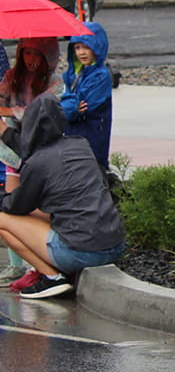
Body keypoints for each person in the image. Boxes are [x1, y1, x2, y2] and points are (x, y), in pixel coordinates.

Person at [0, 94, 125, 299]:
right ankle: (62, 269)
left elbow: (16, 206)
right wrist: (5, 133)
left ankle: (51, 278)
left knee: (3, 220)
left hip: (81, 252)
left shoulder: (37, 163)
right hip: (114, 245)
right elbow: (32, 149)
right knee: (44, 213)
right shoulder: (80, 145)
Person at [0, 37, 60, 288]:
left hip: (39, 153)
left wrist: (18, 112)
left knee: (38, 207)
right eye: (27, 53)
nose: (31, 60)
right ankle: (18, 265)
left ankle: (41, 265)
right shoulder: (12, 77)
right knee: (10, 207)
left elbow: (47, 112)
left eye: (37, 54)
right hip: (13, 153)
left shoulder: (54, 81)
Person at [59, 21, 113, 170]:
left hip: (92, 138)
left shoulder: (100, 76)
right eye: (77, 48)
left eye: (86, 47)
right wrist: (70, 105)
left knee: (91, 173)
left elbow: (83, 105)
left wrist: (65, 105)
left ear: (97, 47)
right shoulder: (74, 74)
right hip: (74, 137)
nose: (81, 52)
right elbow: (71, 106)